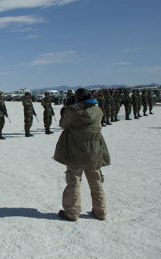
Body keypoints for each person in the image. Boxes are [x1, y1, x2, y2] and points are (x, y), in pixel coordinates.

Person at [54, 88, 110, 221]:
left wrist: (65, 110)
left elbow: (63, 124)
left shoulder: (73, 110)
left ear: (78, 98)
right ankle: (100, 211)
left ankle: (72, 212)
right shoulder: (98, 110)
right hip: (94, 151)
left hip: (75, 151)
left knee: (74, 181)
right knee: (96, 181)